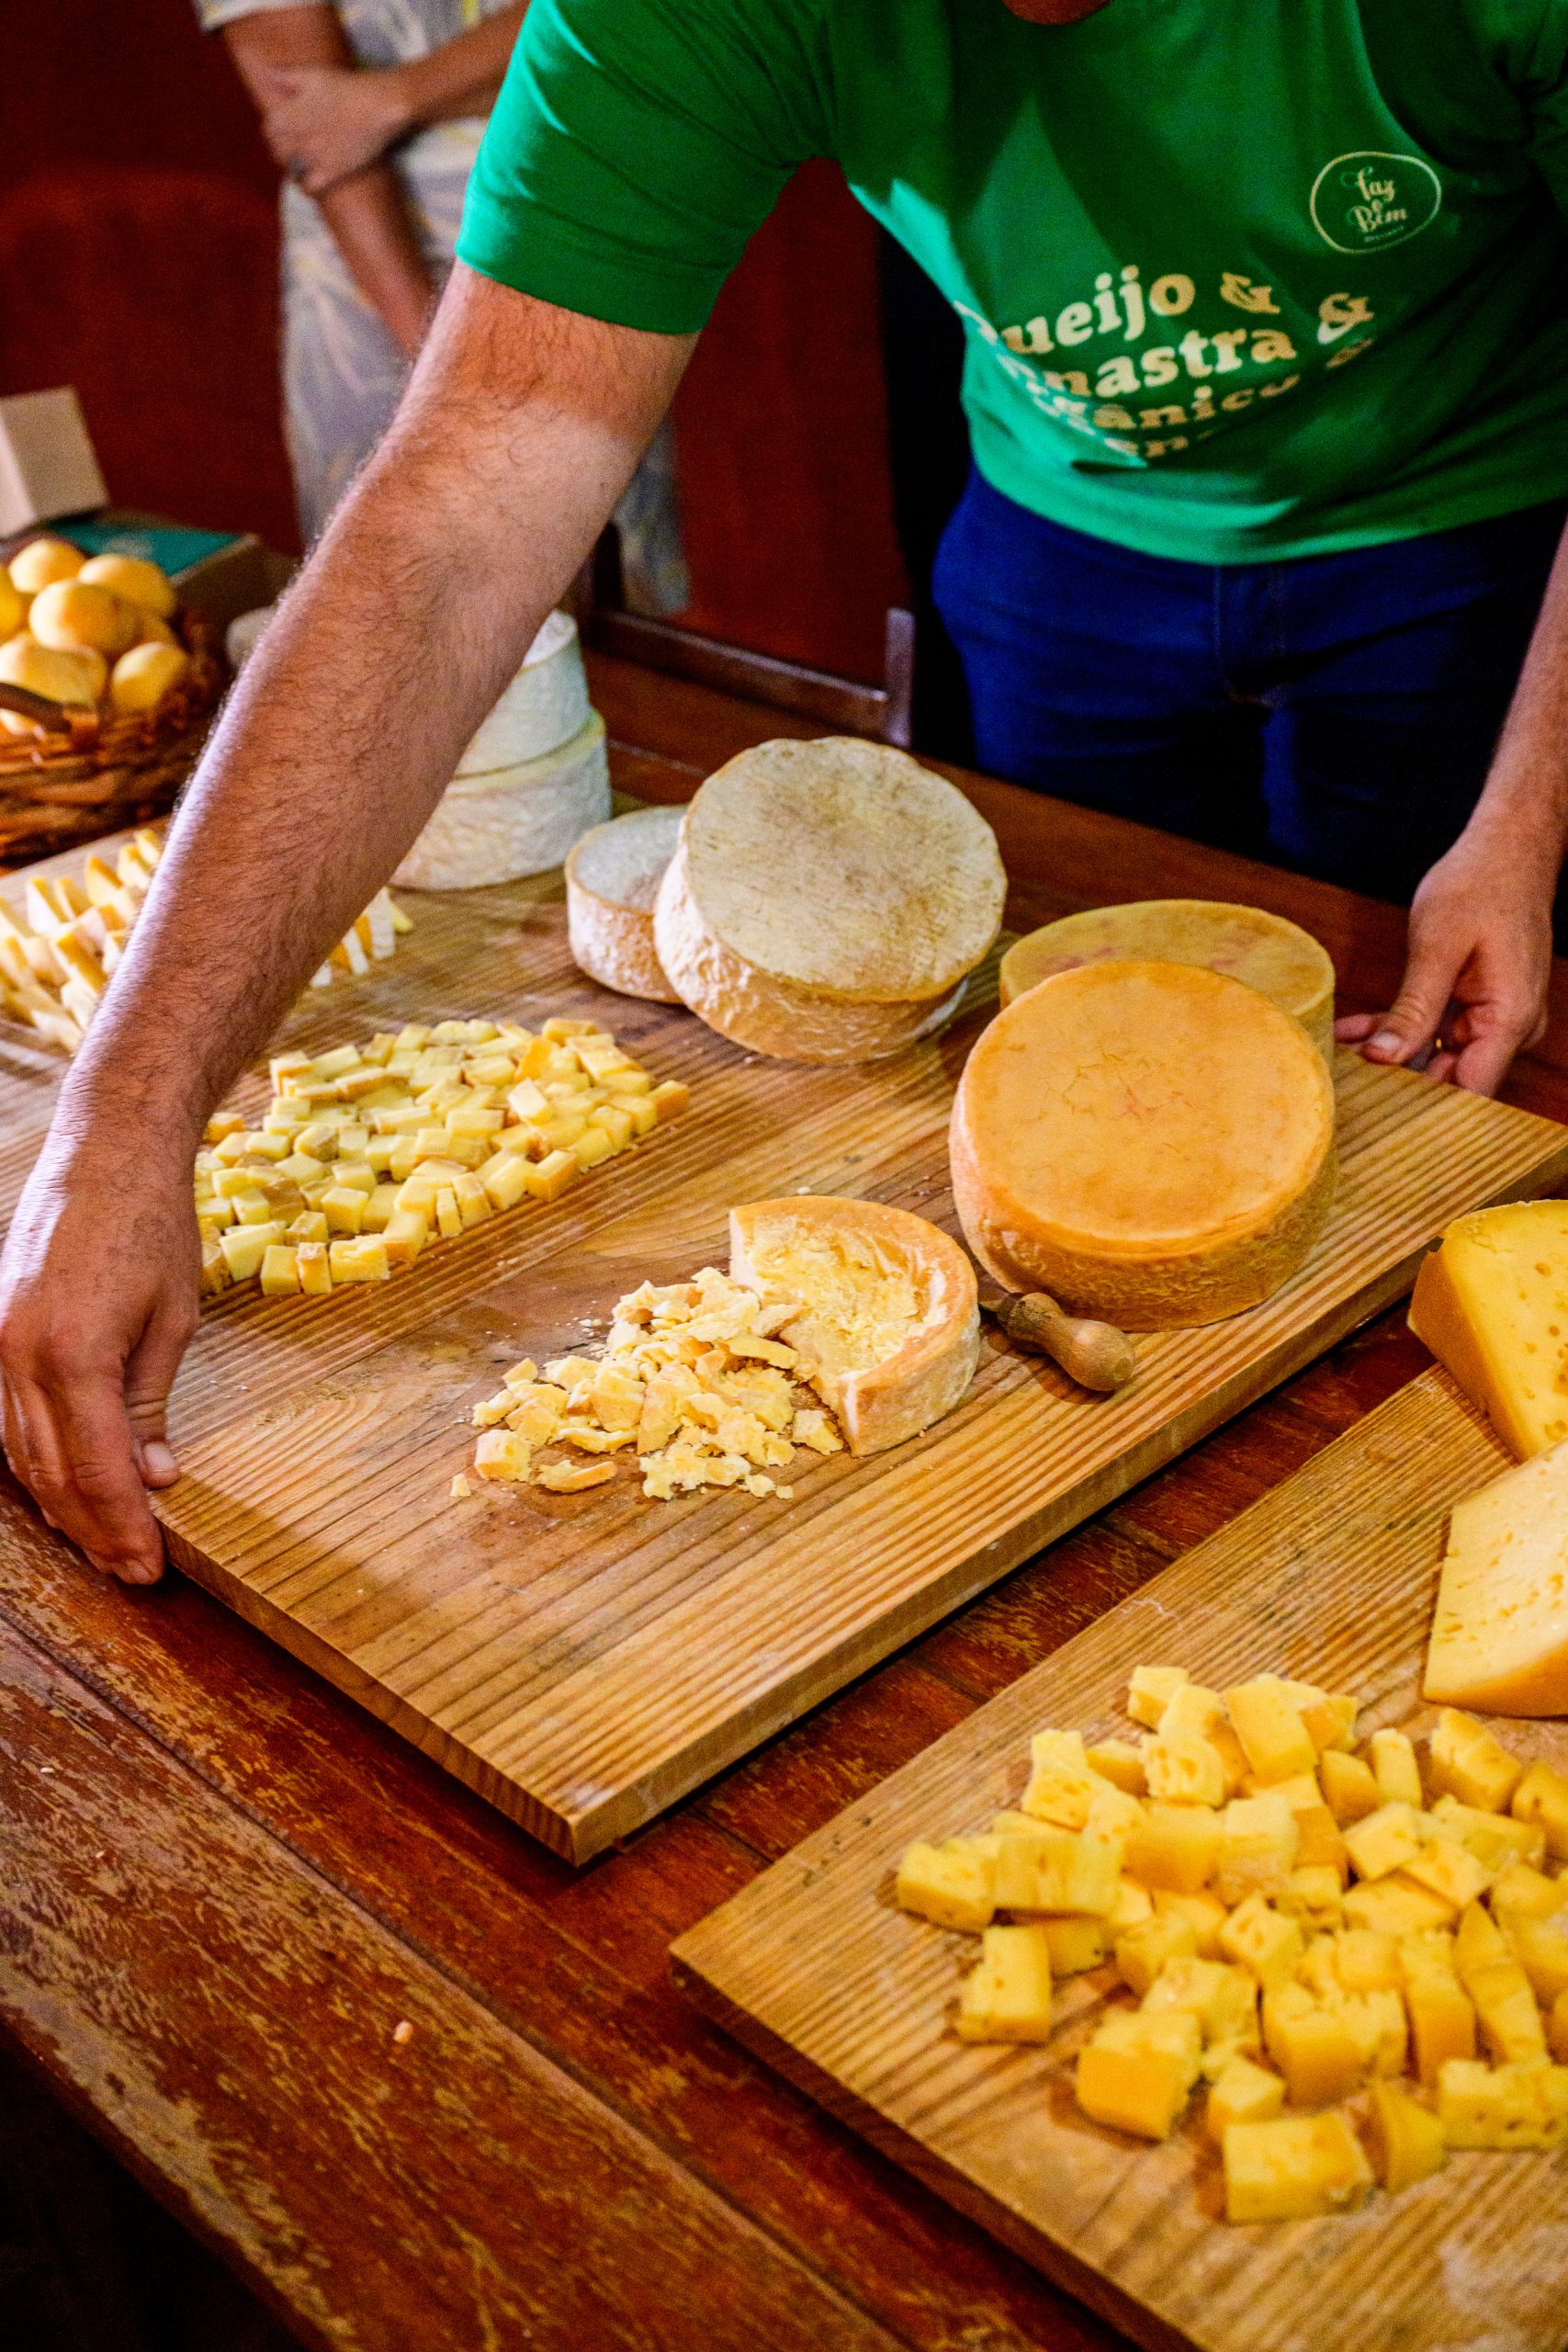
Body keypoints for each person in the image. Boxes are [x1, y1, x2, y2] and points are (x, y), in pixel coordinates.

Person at [8, 0, 1568, 1586]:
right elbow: (458, 503)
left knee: (1412, 1057)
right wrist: (127, 1114)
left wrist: (1519, 829)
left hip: (1465, 520)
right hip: (1067, 529)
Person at [197, 0, 685, 601]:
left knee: (604, 604)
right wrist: (447, 381)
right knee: (397, 618)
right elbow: (315, 128)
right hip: (375, 291)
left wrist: (390, 99)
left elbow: (623, 23)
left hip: (574, 247)